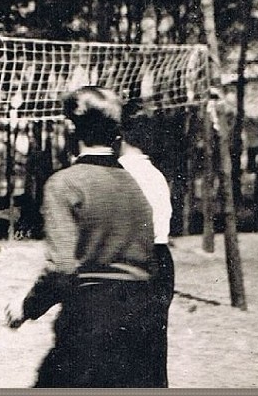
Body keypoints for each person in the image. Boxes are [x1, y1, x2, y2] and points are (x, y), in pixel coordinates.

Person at [5, 86, 158, 388]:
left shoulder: (64, 184)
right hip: (141, 320)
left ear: (71, 130)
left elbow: (62, 267)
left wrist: (27, 306)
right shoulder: (133, 185)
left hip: (90, 321)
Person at [118, 104, 174, 388]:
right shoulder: (156, 175)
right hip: (160, 261)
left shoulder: (118, 174)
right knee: (153, 354)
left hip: (131, 262)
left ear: (119, 134)